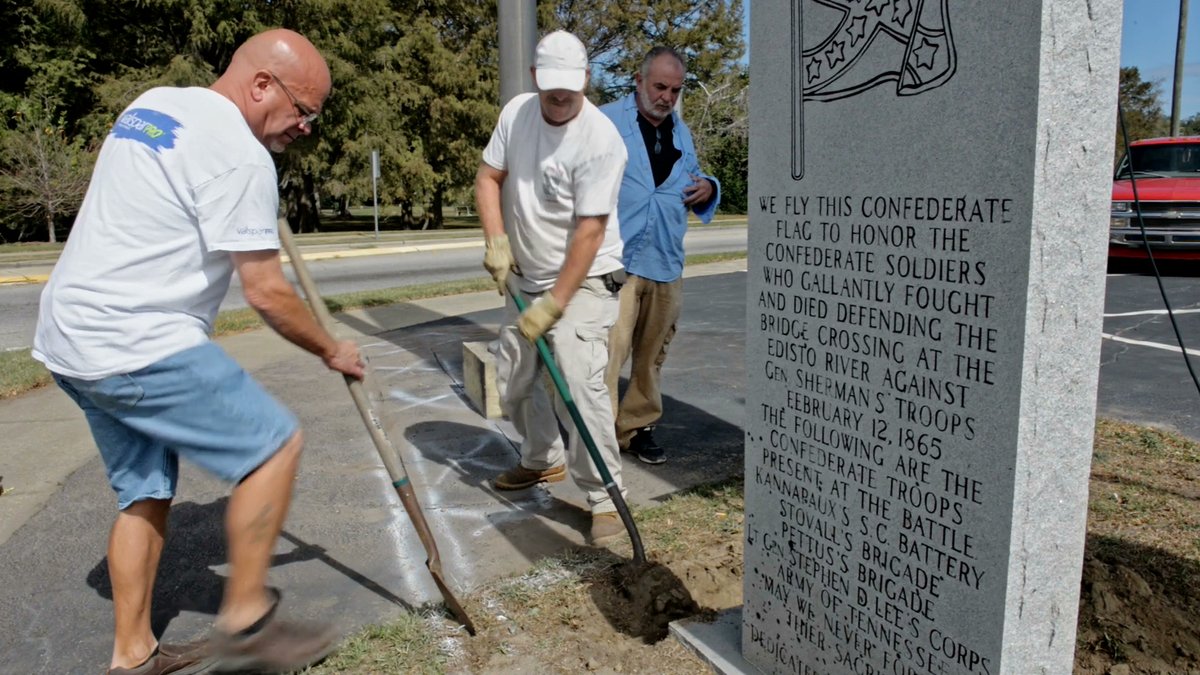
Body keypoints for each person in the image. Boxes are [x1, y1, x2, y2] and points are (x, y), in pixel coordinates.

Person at [32, 28, 365, 675]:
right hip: (137, 341)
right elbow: (267, 291)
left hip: (70, 338)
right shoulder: (241, 155)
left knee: (146, 492)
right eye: (304, 111)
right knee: (273, 445)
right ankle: (244, 626)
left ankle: (132, 654)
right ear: (262, 85)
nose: (306, 128)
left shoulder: (152, 106)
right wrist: (332, 348)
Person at [475, 30, 630, 546]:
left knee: (579, 387)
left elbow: (589, 231)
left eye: (571, 87)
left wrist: (554, 305)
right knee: (513, 381)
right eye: (551, 87)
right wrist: (497, 240)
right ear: (536, 78)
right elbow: (488, 177)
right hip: (525, 274)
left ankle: (606, 496)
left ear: (586, 80)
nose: (560, 97)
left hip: (584, 279)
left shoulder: (601, 139)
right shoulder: (516, 114)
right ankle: (542, 460)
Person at [601, 47, 720, 465]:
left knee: (651, 357)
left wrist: (708, 184)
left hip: (666, 260)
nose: (667, 97)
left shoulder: (680, 131)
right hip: (617, 261)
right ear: (638, 80)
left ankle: (636, 429)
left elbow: (693, 174)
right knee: (606, 355)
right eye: (660, 87)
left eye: (675, 89)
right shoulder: (604, 121)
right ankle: (598, 439)